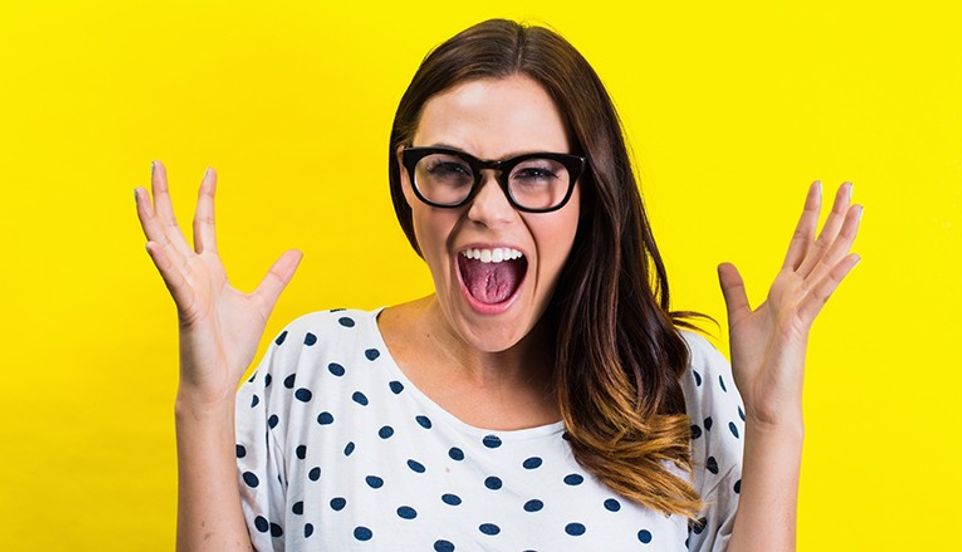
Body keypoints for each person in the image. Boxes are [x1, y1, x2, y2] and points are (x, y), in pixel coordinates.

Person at [135, 18, 863, 552]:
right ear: (406, 179)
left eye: (535, 173)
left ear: (588, 189)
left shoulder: (673, 381)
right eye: (450, 168)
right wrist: (203, 404)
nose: (487, 207)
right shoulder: (313, 366)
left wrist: (772, 423)